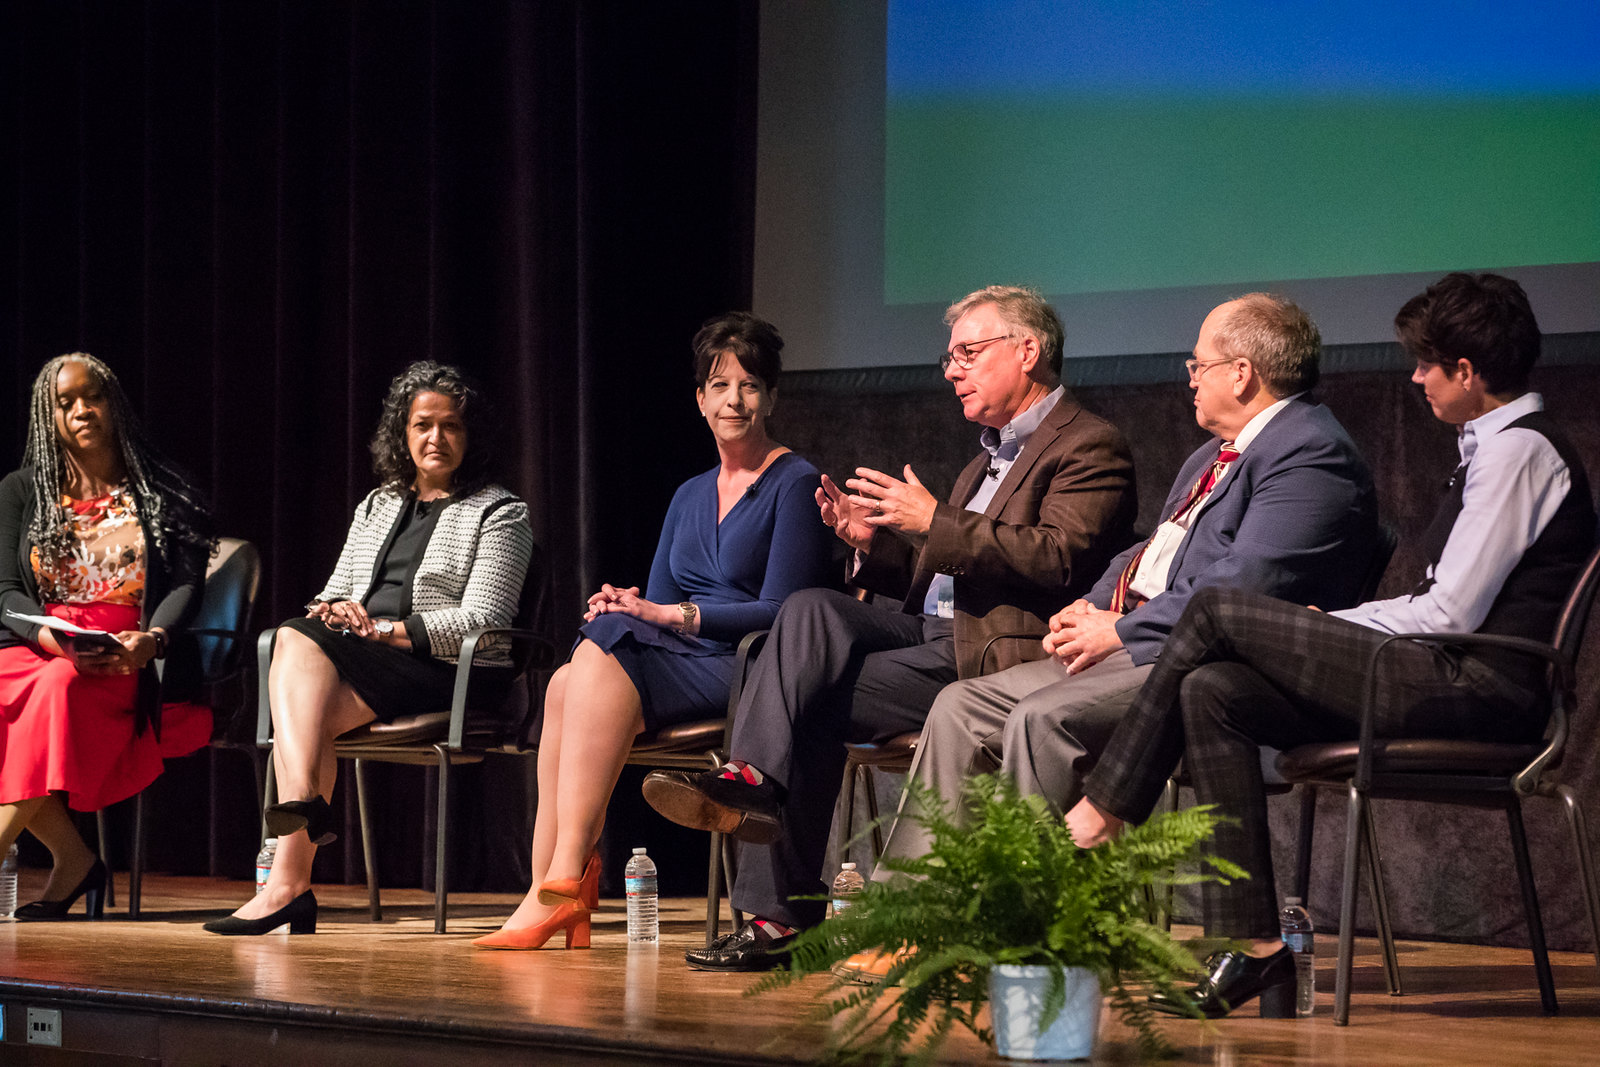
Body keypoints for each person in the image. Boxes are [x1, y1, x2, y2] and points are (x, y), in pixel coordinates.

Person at [1066, 272, 1596, 1018]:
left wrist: (1336, 624)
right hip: (1438, 670)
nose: (1414, 377)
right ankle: (1254, 948)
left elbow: (1452, 609)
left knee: (1219, 607)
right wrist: (1331, 620)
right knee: (1210, 691)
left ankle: (1106, 806)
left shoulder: (1519, 453)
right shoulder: (1492, 449)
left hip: (1480, 690)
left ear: (1468, 371)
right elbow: (1433, 603)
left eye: (1426, 363)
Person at [644, 285, 1138, 970]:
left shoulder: (1089, 445)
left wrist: (932, 521)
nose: (951, 369)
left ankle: (774, 890)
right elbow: (947, 572)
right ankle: (754, 797)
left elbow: (1054, 558)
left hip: (1001, 654)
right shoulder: (983, 458)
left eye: (967, 352)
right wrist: (873, 546)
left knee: (802, 701)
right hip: (935, 635)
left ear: (1026, 352)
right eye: (948, 357)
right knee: (809, 609)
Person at [865, 295, 1379, 899]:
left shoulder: (1309, 452)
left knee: (1041, 718)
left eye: (1199, 366)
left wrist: (1120, 630)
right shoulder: (1212, 455)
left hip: (1209, 661)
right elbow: (1146, 556)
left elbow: (1245, 584)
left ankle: (1026, 934)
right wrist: (1091, 606)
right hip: (1146, 640)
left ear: (1241, 374)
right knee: (959, 707)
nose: (1188, 379)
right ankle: (908, 912)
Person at [472, 312, 835, 950]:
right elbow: (658, 599)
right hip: (679, 657)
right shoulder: (689, 494)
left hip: (745, 665)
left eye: (750, 386)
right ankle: (550, 881)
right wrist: (627, 604)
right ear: (699, 400)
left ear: (772, 397)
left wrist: (670, 617)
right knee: (568, 676)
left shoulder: (795, 483)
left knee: (588, 662)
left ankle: (564, 883)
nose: (735, 400)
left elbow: (787, 612)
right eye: (720, 387)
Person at [206, 361, 533, 935]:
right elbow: (332, 593)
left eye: (451, 426)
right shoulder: (377, 504)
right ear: (402, 434)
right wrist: (334, 612)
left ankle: (296, 836)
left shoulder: (501, 512)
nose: (436, 438)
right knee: (303, 666)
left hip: (449, 669)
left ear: (471, 434)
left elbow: (485, 620)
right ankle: (290, 884)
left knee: (291, 659)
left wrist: (382, 630)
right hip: (369, 657)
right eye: (422, 425)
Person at [0, 353, 214, 919]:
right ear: (47, 419)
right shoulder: (21, 490)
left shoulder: (167, 488)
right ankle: (72, 858)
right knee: (38, 683)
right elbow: (5, 594)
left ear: (113, 400)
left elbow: (188, 585)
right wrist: (54, 640)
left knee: (56, 689)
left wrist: (155, 640)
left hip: (125, 655)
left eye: (90, 396)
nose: (80, 411)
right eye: (63, 404)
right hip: (44, 644)